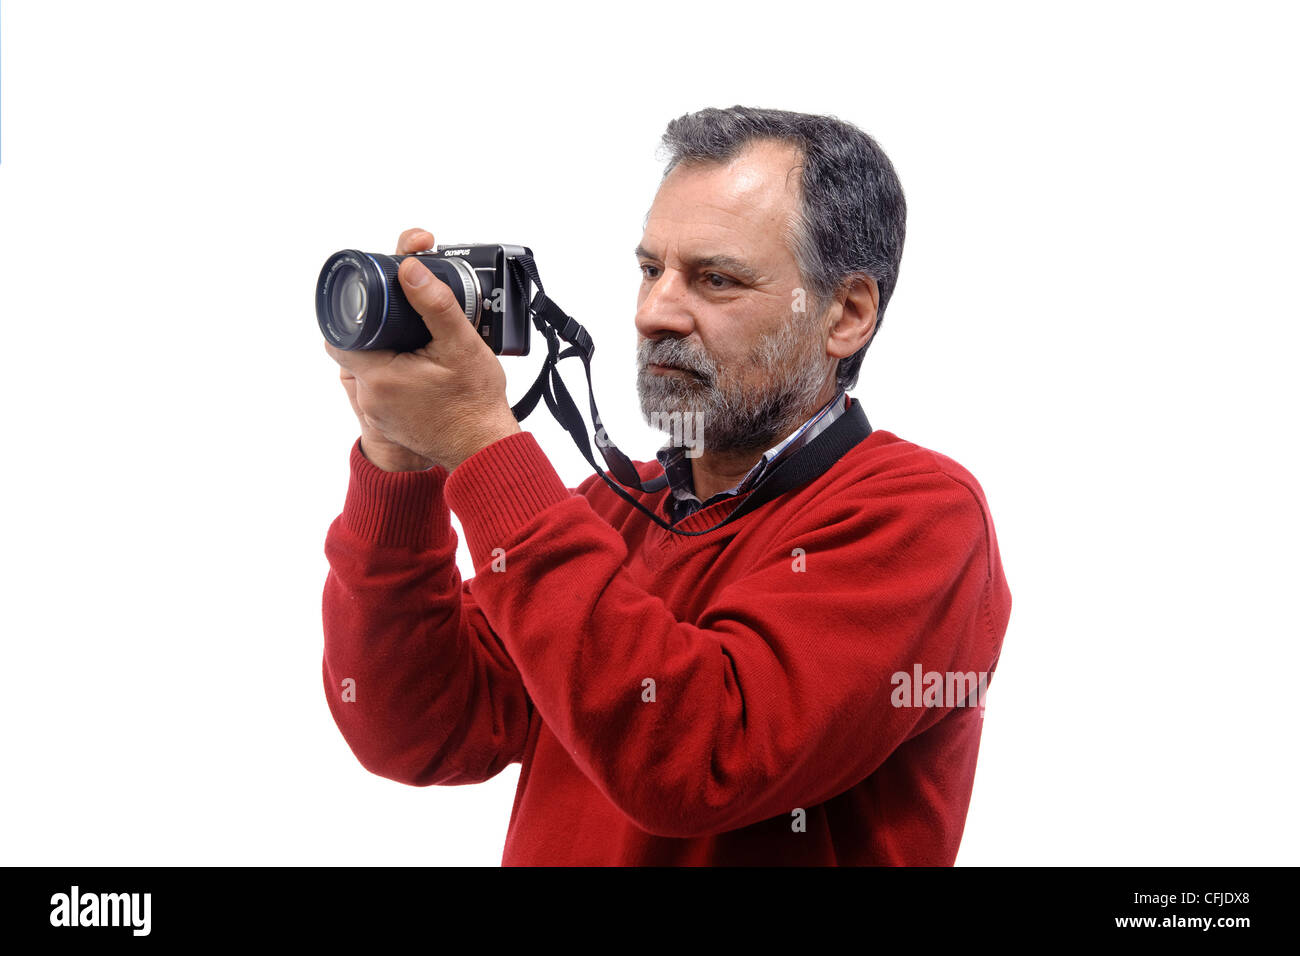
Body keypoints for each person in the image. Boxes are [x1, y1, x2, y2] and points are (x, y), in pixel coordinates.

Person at [320, 106, 1012, 866]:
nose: (653, 313)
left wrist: (484, 447)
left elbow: (696, 761)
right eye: (651, 270)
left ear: (845, 315)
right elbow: (414, 726)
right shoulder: (611, 511)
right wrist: (401, 463)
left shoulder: (921, 517)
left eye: (716, 279)